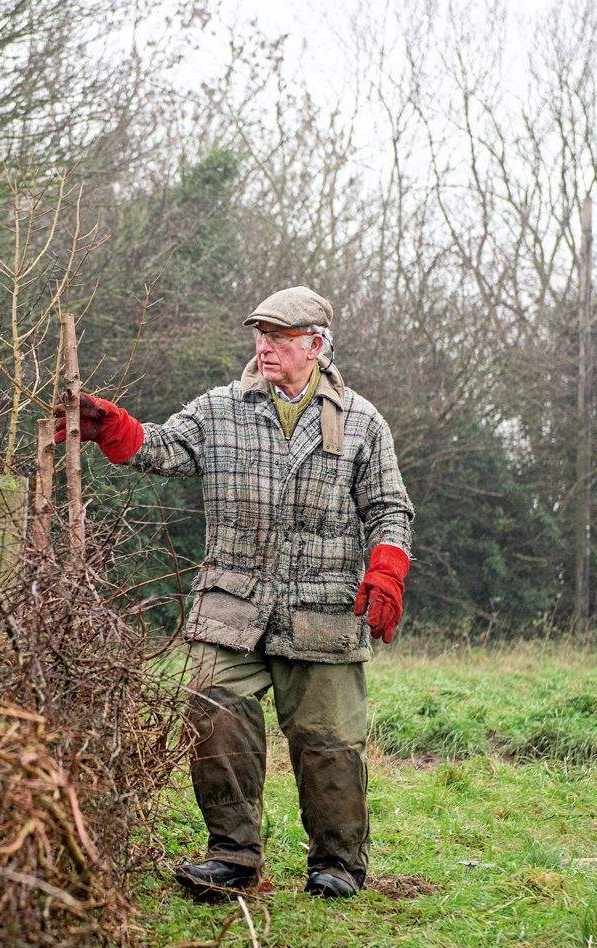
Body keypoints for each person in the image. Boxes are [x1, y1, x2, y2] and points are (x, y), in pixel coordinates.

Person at [55, 286, 413, 900]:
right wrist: (116, 430)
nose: (266, 347)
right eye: (261, 336)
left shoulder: (362, 421)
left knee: (329, 741)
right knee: (212, 712)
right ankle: (233, 855)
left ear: (317, 346)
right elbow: (164, 447)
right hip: (232, 605)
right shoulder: (221, 408)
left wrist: (385, 569)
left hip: (322, 610)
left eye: (281, 338)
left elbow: (388, 509)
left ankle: (337, 864)